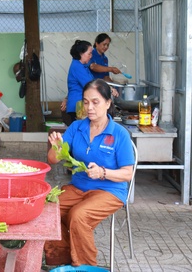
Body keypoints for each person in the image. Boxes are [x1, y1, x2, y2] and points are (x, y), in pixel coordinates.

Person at [44, 79, 135, 267]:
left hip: (109, 191)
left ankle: (85, 267)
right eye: (86, 102)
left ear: (108, 103)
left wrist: (103, 172)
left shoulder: (119, 134)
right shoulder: (77, 127)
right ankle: (61, 261)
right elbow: (53, 160)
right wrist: (57, 147)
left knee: (78, 216)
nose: (89, 107)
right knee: (47, 211)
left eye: (95, 102)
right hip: (78, 188)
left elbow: (128, 174)